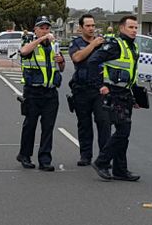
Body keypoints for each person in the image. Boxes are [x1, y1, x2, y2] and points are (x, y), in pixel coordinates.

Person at [87, 15, 141, 182]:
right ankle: (102, 162)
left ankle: (120, 169)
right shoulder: (115, 45)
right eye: (131, 27)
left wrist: (135, 96)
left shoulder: (133, 47)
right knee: (123, 130)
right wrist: (99, 86)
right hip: (113, 94)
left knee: (123, 133)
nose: (134, 31)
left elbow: (132, 73)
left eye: (136, 28)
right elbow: (92, 62)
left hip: (125, 94)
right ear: (122, 28)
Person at [16, 16, 66, 172]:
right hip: (33, 92)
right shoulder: (29, 44)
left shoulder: (54, 46)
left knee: (48, 127)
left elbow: (61, 68)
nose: (45, 31)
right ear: (35, 30)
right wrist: (42, 38)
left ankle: (45, 159)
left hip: (50, 92)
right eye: (42, 28)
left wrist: (61, 61)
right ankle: (24, 155)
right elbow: (23, 52)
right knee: (30, 125)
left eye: (47, 28)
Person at [68, 14, 111, 167]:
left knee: (104, 122)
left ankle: (104, 157)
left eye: (93, 25)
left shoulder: (103, 44)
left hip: (100, 89)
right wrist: (92, 46)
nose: (91, 28)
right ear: (81, 28)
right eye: (88, 26)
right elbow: (77, 58)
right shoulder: (76, 43)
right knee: (84, 124)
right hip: (81, 89)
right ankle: (85, 155)